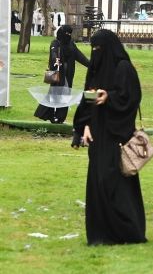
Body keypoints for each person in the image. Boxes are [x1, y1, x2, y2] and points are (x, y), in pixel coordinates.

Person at [72, 29, 146, 245]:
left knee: (113, 181)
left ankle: (127, 231)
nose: (96, 53)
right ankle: (102, 234)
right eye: (93, 48)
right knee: (98, 181)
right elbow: (87, 97)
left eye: (99, 48)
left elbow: (131, 97)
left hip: (116, 135)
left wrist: (109, 97)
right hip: (97, 133)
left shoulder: (123, 68)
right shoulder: (95, 68)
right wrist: (83, 126)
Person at [34, 25, 90, 124]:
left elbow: (80, 57)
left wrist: (91, 65)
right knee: (54, 94)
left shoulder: (71, 44)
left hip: (68, 74)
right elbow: (53, 53)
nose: (68, 35)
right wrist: (56, 60)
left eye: (69, 33)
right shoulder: (55, 43)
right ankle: (49, 115)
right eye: (66, 33)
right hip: (58, 74)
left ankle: (60, 118)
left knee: (65, 94)